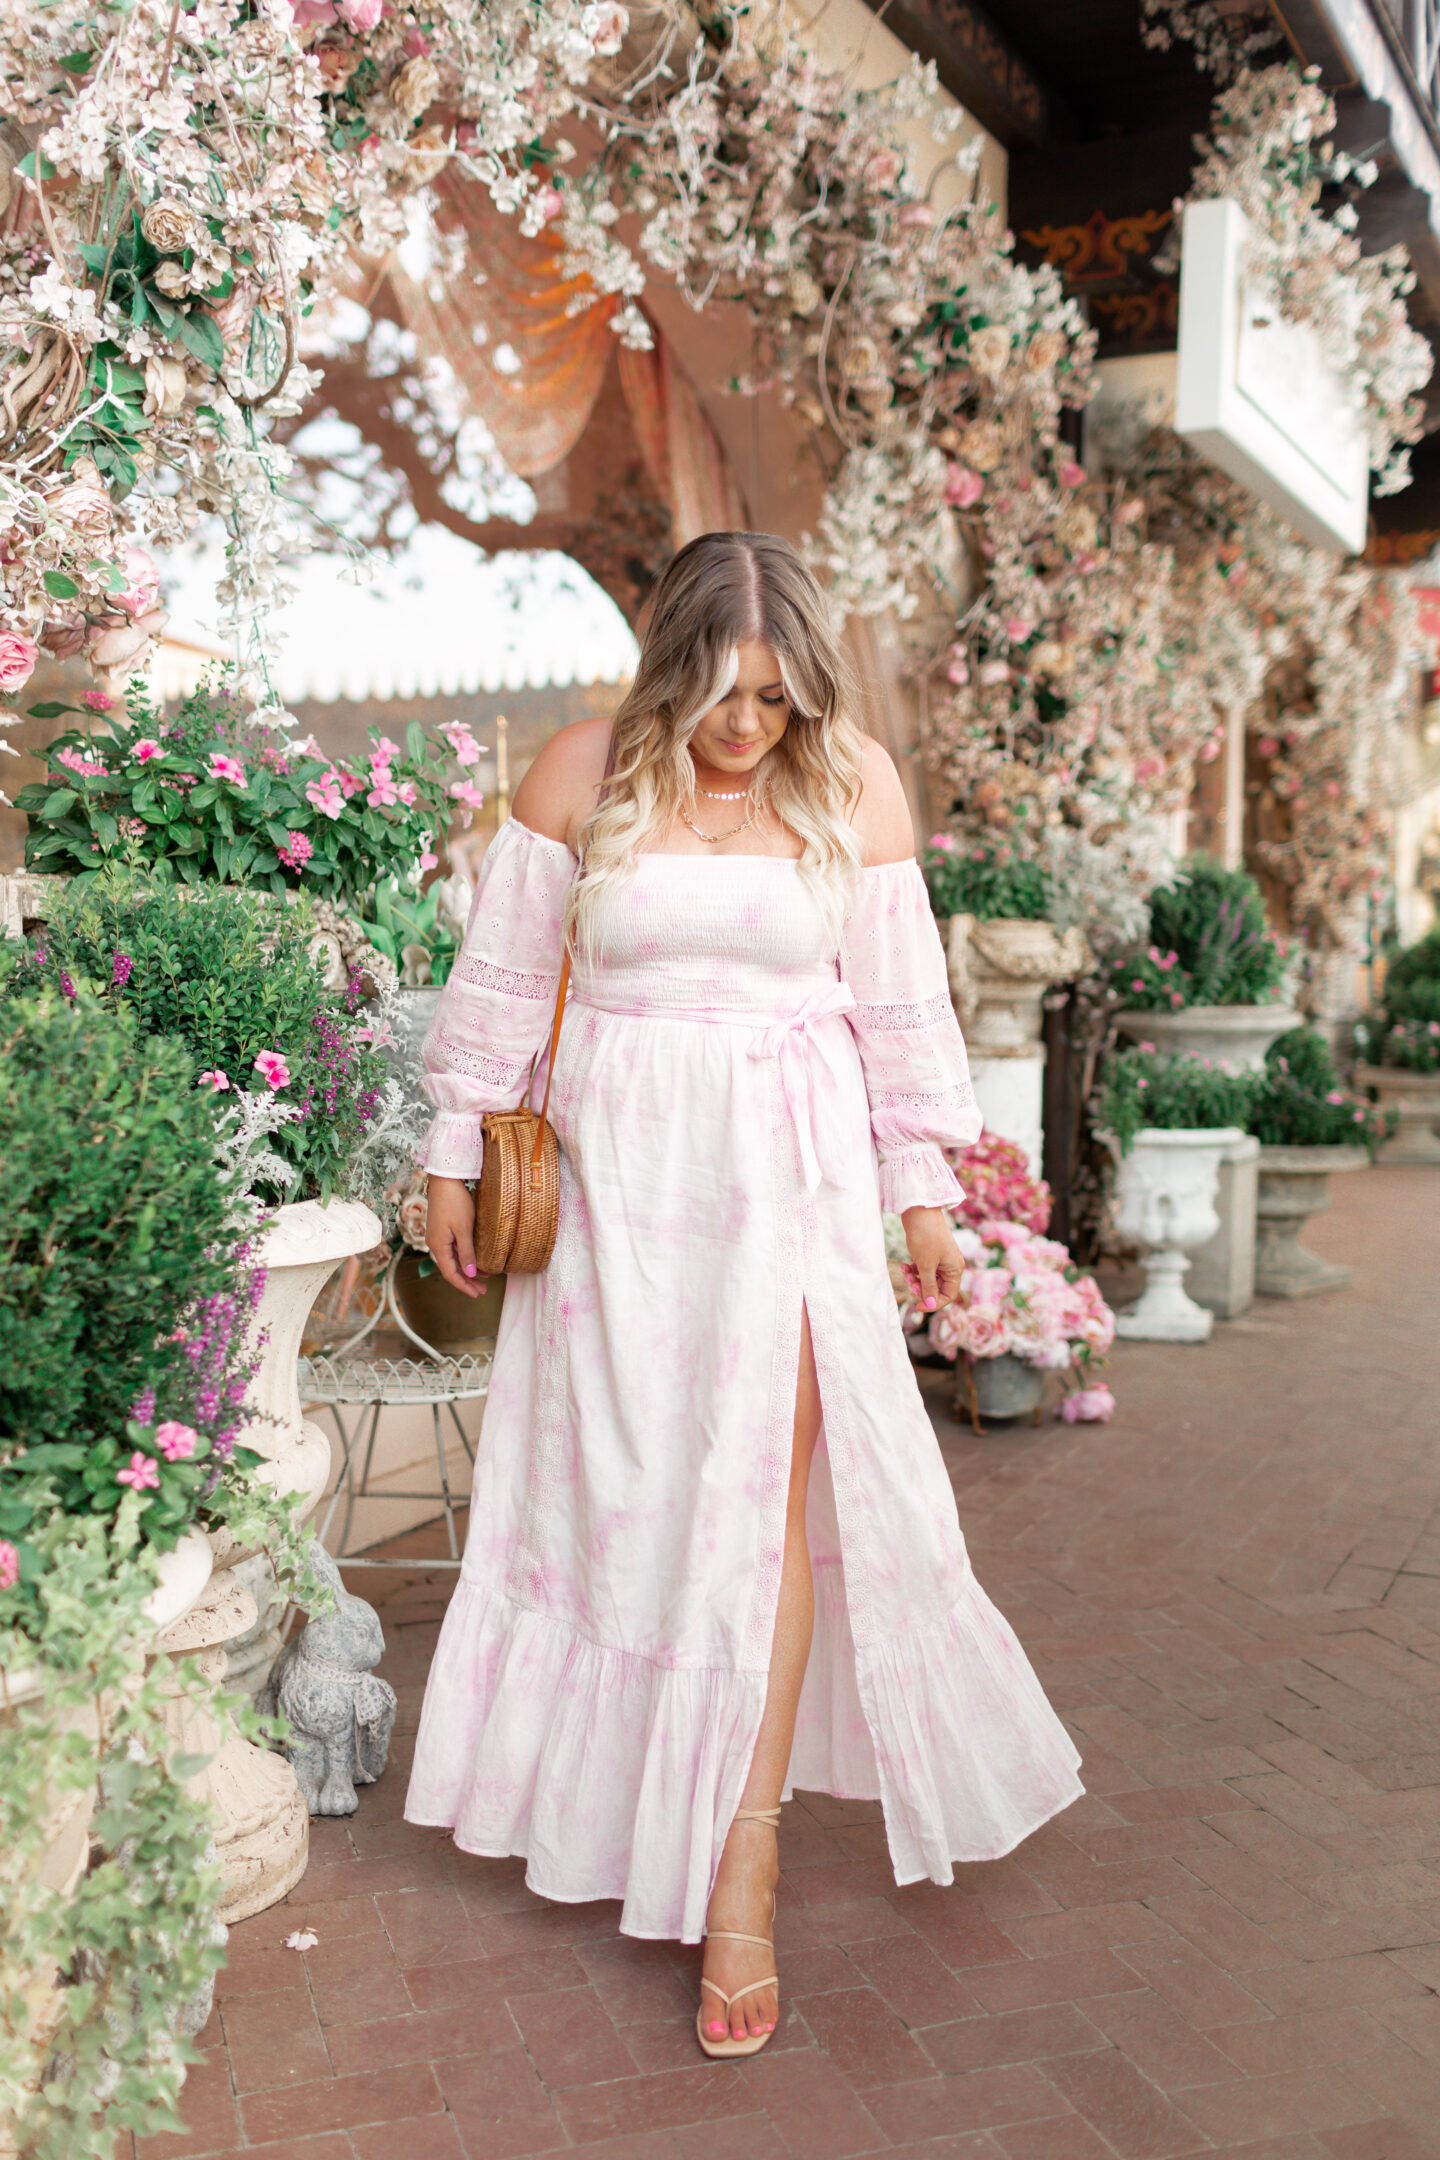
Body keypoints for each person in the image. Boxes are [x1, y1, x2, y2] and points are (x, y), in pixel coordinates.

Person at [408, 531, 1082, 2059]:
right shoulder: (581, 773)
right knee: (636, 1508)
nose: (747, 725)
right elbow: (502, 990)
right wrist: (454, 1152)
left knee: (764, 1507)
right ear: (673, 664)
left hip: (791, 1180)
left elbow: (901, 1006)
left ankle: (746, 1861)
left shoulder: (852, 784)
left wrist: (926, 1192)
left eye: (776, 700)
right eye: (722, 691)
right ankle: (628, 1801)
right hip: (615, 1199)